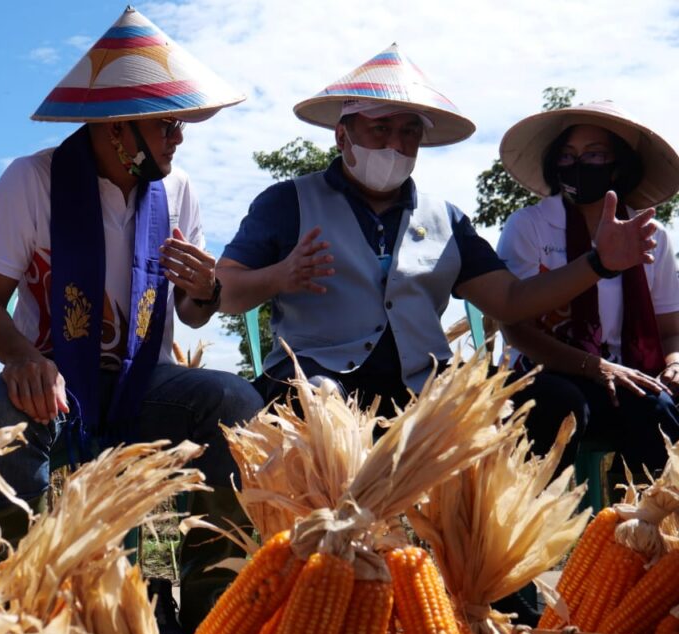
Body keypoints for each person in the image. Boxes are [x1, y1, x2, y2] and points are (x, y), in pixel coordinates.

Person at [0, 7, 263, 634]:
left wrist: (206, 290)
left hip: (143, 384)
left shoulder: (177, 190)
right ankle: (17, 598)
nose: (178, 139)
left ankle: (209, 608)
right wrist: (24, 359)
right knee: (3, 418)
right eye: (166, 124)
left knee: (236, 402)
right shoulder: (32, 180)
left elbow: (190, 314)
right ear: (115, 127)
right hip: (51, 379)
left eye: (179, 125)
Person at [217, 43, 657, 442]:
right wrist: (279, 276)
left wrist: (598, 263)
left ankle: (493, 509)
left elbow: (509, 301)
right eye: (380, 128)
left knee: (551, 402)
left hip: (424, 385)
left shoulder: (446, 220)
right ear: (342, 135)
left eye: (409, 131)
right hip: (317, 378)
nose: (396, 144)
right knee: (321, 403)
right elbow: (225, 292)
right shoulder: (288, 202)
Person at [497, 101, 679, 475]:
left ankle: (652, 509)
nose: (578, 164)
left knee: (658, 409)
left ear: (619, 166)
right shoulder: (529, 226)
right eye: (567, 155)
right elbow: (516, 329)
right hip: (543, 373)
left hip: (625, 376)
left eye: (594, 154)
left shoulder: (652, 236)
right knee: (561, 403)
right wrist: (593, 366)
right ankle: (536, 507)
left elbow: (670, 331)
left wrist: (675, 364)